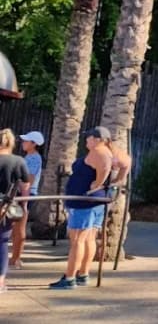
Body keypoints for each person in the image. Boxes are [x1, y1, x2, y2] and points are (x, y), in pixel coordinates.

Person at [50, 126, 129, 291]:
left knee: (78, 239)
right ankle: (83, 274)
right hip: (95, 201)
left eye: (90, 137)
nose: (87, 139)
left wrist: (98, 183)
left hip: (84, 201)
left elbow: (106, 167)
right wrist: (118, 180)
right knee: (89, 237)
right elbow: (126, 162)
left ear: (98, 139)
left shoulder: (100, 151)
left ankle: (70, 277)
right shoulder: (112, 152)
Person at [0, 128, 31, 294]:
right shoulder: (18, 161)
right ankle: (0, 281)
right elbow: (25, 185)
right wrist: (24, 204)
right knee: (2, 243)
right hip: (5, 207)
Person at [8, 130, 43, 270]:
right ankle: (14, 257)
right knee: (15, 226)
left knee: (19, 226)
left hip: (25, 194)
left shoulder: (34, 158)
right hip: (22, 194)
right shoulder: (29, 157)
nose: (23, 143)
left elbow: (29, 179)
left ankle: (16, 258)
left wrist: (24, 199)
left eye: (27, 141)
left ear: (34, 144)